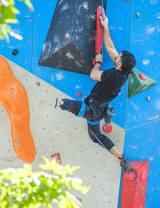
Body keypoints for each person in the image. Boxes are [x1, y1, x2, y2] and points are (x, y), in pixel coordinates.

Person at [57, 14, 136, 171]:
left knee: (77, 108)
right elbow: (110, 47)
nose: (116, 55)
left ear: (119, 64)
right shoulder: (125, 72)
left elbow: (94, 75)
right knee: (95, 138)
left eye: (118, 57)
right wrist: (105, 27)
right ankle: (122, 158)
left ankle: (63, 104)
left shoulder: (114, 75)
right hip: (99, 110)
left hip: (93, 109)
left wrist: (99, 62)